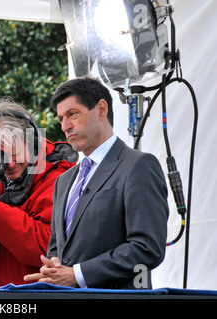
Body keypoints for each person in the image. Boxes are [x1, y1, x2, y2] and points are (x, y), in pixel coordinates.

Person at [24, 76, 169, 289]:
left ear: (102, 109)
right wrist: (53, 266)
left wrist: (78, 274)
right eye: (60, 119)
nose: (65, 126)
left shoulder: (139, 166)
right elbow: (57, 248)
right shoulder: (63, 182)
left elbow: (147, 248)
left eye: (72, 114)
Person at [0, 98, 77, 288]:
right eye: (1, 156)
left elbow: (46, 247)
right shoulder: (0, 181)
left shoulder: (58, 178)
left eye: (15, 152)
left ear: (32, 144)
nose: (9, 164)